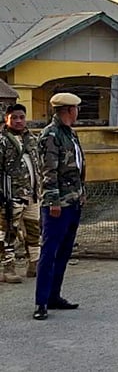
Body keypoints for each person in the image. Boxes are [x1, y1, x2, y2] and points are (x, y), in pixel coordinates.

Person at [33, 92, 85, 320]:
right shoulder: (51, 135)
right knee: (49, 252)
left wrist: (82, 193)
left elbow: (78, 167)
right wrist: (53, 201)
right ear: (68, 110)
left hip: (73, 200)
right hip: (58, 204)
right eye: (75, 109)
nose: (77, 112)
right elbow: (48, 172)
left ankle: (54, 296)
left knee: (64, 251)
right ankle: (41, 302)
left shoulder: (69, 134)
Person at [0, 104, 41, 283]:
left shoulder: (31, 138)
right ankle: (8, 268)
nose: (18, 121)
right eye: (14, 117)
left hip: (32, 194)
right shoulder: (2, 141)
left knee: (34, 231)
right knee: (8, 233)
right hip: (11, 196)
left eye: (21, 117)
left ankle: (34, 265)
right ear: (6, 119)